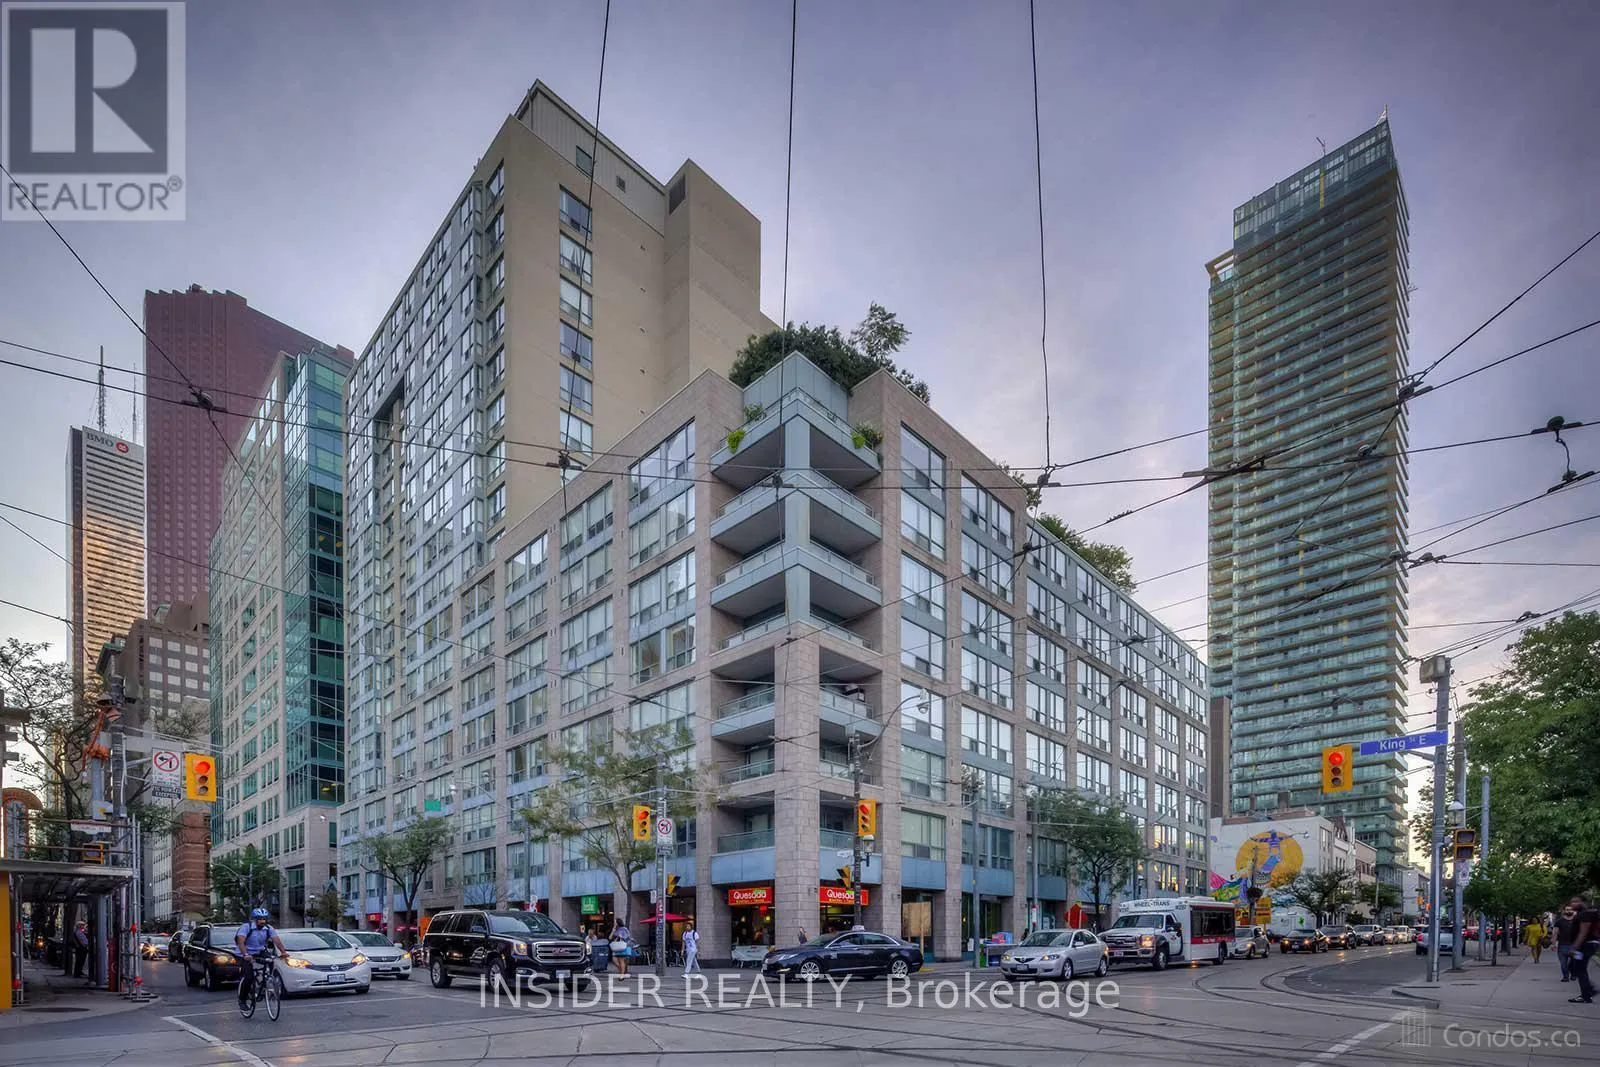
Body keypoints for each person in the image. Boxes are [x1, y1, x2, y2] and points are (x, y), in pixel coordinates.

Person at [234, 908, 288, 1008]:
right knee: (249, 977)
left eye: (264, 919)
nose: (262, 921)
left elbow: (276, 940)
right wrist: (245, 954)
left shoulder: (268, 928)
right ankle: (242, 1000)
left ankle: (265, 982)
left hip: (259, 951)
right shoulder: (246, 927)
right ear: (255, 919)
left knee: (271, 960)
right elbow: (241, 942)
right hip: (243, 953)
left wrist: (283, 952)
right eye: (260, 919)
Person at [1569, 894, 1597, 1005]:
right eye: (1571, 902)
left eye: (1575, 901)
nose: (1572, 904)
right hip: (1586, 945)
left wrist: (1574, 947)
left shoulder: (1585, 914)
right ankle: (1588, 991)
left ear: (1583, 902)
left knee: (1579, 968)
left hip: (1584, 946)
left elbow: (1583, 933)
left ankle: (1587, 994)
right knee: (1574, 966)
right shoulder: (1587, 913)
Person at [1556, 903, 1579, 982]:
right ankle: (1565, 977)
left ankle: (1573, 974)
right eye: (1567, 909)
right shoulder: (1559, 921)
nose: (1569, 911)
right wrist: (1553, 944)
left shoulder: (1577, 921)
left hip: (1575, 945)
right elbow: (1555, 933)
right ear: (1564, 911)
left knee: (1575, 962)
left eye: (1571, 909)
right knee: (1563, 963)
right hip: (1562, 945)